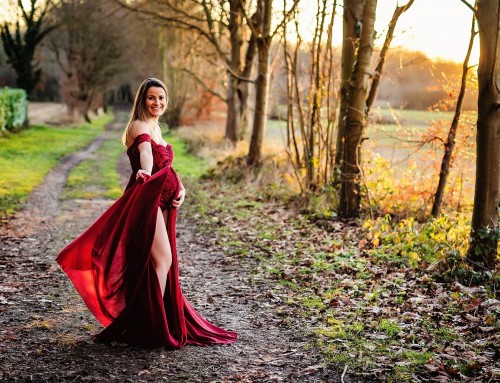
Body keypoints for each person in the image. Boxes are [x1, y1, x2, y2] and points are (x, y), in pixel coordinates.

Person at [56, 78, 237, 348]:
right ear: (142, 100)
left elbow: (167, 165)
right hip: (147, 197)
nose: (157, 103)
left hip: (163, 201)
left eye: (162, 98)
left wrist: (182, 188)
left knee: (156, 262)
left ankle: (148, 321)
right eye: (152, 98)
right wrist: (146, 172)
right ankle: (151, 326)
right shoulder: (140, 126)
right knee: (162, 259)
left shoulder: (157, 127)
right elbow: (147, 156)